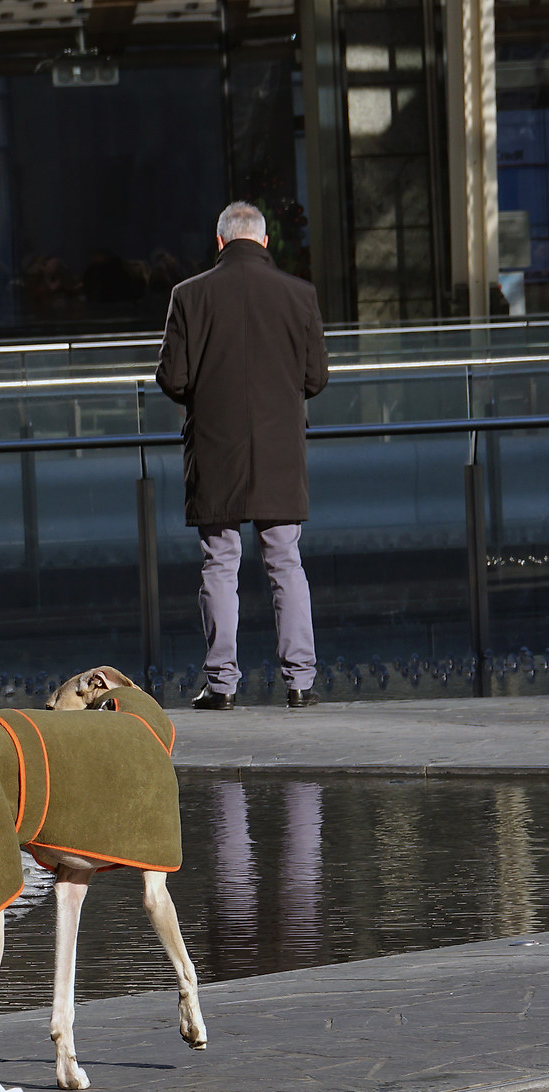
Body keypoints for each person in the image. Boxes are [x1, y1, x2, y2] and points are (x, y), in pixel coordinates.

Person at [156, 200, 328, 710]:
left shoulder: (188, 296)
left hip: (216, 451)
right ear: (265, 241)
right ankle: (299, 682)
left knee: (219, 565)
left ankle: (222, 686)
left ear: (220, 242)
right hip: (280, 452)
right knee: (285, 564)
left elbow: (173, 378)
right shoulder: (300, 295)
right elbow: (316, 378)